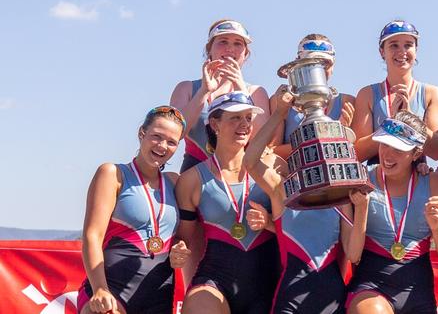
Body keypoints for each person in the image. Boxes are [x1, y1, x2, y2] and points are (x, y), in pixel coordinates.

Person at [243, 88, 367, 314]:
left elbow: (354, 254)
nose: (320, 150)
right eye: (313, 144)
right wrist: (279, 114)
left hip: (332, 300)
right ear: (301, 148)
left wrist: (363, 209)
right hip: (290, 300)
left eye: (327, 145)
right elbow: (250, 161)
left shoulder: (341, 197)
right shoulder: (283, 189)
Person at [174, 91, 280, 314]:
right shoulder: (191, 180)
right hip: (215, 281)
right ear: (215, 123)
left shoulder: (273, 166)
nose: (244, 125)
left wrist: (270, 223)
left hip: (269, 282)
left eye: (248, 118)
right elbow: (184, 238)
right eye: (235, 117)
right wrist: (178, 249)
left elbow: (297, 228)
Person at [78, 106, 189, 314]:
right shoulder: (112, 174)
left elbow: (182, 236)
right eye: (157, 136)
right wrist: (100, 289)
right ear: (142, 133)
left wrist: (180, 248)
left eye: (172, 142)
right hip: (111, 291)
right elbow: (92, 235)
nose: (162, 146)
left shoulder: (174, 182)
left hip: (159, 295)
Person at [346, 110, 438, 314]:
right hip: (371, 286)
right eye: (384, 144)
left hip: (418, 290)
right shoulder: (363, 178)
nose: (388, 154)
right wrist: (362, 208)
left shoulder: (432, 182)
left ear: (416, 153)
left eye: (398, 148)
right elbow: (353, 255)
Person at [171, 19, 270, 172]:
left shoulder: (256, 92)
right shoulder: (187, 88)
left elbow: (263, 140)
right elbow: (174, 133)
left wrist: (240, 88)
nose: (230, 48)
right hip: (195, 172)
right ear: (209, 50)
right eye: (223, 42)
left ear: (245, 54)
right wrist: (204, 91)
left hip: (243, 172)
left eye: (238, 43)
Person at [351, 19, 438, 164]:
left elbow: (437, 151)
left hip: (417, 180)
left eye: (408, 45)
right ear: (382, 52)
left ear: (416, 50)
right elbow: (357, 153)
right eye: (394, 45)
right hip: (378, 180)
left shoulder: (431, 94)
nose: (402, 52)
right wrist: (392, 126)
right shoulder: (367, 94)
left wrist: (410, 120)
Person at [270, 34, 355, 159]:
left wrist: (342, 137)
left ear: (334, 65)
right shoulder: (281, 101)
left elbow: (354, 154)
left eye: (325, 63)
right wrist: (325, 137)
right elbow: (270, 152)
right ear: (297, 62)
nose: (319, 69)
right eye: (312, 62)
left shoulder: (346, 102)